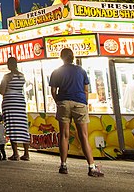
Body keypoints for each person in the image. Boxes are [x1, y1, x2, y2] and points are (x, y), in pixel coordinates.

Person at [49, 47, 103, 177]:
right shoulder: (81, 71)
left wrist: (59, 102)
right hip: (79, 103)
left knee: (64, 135)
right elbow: (86, 90)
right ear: (73, 57)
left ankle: (63, 165)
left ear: (61, 58)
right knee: (83, 135)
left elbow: (53, 91)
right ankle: (91, 166)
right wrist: (84, 103)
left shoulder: (56, 72)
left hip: (64, 103)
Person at [0, 56, 30, 161]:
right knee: (22, 126)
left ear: (10, 65)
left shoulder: (7, 76)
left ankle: (16, 153)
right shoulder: (22, 76)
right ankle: (26, 153)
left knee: (12, 126)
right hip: (20, 103)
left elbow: (2, 91)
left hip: (10, 103)